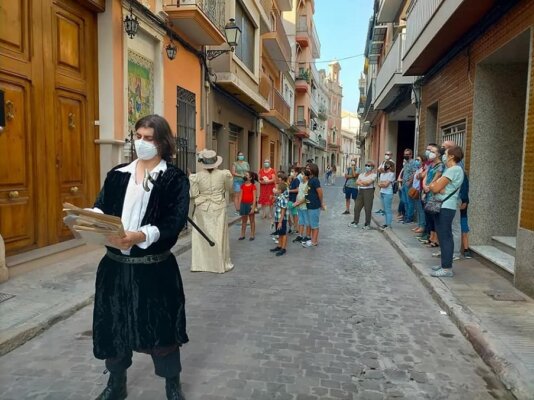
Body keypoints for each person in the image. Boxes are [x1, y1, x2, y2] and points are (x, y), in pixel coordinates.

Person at [92, 115, 189, 400]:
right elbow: (101, 207)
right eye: (138, 136)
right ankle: (116, 385)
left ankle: (172, 386)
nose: (141, 143)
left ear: (162, 142)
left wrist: (141, 235)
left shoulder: (173, 178)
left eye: (149, 138)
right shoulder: (117, 174)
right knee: (114, 327)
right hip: (115, 269)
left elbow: (174, 222)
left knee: (163, 330)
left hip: (155, 271)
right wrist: (89, 219)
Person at [189, 149, 234, 274]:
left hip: (202, 207)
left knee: (201, 236)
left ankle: (201, 264)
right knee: (219, 235)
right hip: (219, 206)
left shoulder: (196, 176)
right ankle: (219, 264)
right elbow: (228, 188)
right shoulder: (224, 174)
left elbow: (194, 194)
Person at [429, 145, 465, 277]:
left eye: (446, 154)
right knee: (443, 236)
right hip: (444, 205)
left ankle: (447, 268)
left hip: (446, 206)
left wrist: (436, 187)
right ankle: (445, 263)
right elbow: (436, 186)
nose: (443, 155)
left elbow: (434, 187)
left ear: (451, 156)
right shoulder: (452, 170)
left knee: (445, 237)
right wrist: (437, 187)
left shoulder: (454, 170)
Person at [421, 144, 444, 248]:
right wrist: (424, 185)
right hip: (427, 192)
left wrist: (429, 187)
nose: (431, 153)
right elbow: (425, 176)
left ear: (438, 154)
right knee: (428, 216)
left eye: (433, 152)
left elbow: (437, 177)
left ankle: (435, 240)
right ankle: (430, 237)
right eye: (431, 151)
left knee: (434, 216)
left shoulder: (440, 165)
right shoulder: (430, 165)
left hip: (433, 193)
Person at [303, 163, 325, 247]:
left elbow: (320, 192)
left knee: (314, 224)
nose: (307, 170)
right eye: (306, 168)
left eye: (308, 169)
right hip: (309, 205)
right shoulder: (310, 179)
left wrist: (321, 203)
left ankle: (314, 241)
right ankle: (312, 240)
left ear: (313, 170)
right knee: (311, 223)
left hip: (314, 206)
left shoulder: (315, 180)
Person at [351, 160, 377, 230]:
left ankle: (367, 224)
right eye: (366, 165)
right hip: (360, 191)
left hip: (369, 191)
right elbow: (357, 182)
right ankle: (355, 222)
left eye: (369, 166)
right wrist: (363, 183)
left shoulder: (374, 175)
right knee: (356, 207)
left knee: (368, 208)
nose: (367, 167)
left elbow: (368, 183)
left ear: (372, 167)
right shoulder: (362, 174)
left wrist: (361, 182)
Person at [398, 149, 417, 223]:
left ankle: (409, 217)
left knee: (409, 202)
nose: (406, 156)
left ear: (411, 155)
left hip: (409, 185)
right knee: (404, 201)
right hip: (404, 184)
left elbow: (414, 173)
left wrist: (410, 181)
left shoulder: (413, 163)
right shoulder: (406, 163)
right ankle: (406, 216)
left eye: (407, 154)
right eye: (405, 154)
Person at [269, 182, 289, 256]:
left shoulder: (283, 198)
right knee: (279, 233)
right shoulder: (279, 196)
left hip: (282, 219)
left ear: (280, 190)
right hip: (278, 218)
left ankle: (283, 248)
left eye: (276, 188)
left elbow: (283, 211)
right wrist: (273, 198)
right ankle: (279, 246)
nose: (275, 189)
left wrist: (280, 222)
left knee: (283, 233)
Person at [238, 171, 257, 241]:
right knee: (244, 221)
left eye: (246, 175)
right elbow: (240, 196)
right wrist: (239, 205)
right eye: (245, 175)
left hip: (250, 205)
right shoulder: (242, 186)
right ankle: (242, 234)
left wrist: (253, 207)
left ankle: (252, 235)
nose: (245, 176)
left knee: (252, 220)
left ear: (250, 178)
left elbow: (254, 198)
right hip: (243, 204)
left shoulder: (253, 186)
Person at [410, 154, 427, 234]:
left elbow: (419, 178)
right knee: (417, 209)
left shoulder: (423, 169)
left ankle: (422, 226)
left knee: (421, 210)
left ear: (422, 161)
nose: (416, 161)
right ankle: (419, 225)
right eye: (416, 160)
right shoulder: (417, 169)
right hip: (415, 190)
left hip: (419, 191)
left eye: (418, 160)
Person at [293, 170, 310, 243]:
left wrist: (299, 203)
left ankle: (308, 236)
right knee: (301, 221)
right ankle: (300, 235)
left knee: (307, 221)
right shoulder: (300, 183)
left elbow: (306, 197)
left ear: (306, 176)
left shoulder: (308, 184)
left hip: (305, 206)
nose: (301, 176)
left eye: (302, 174)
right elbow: (299, 193)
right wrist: (296, 202)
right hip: (299, 206)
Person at [376, 151, 395, 215]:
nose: (386, 155)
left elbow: (388, 170)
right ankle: (383, 210)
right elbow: (378, 170)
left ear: (391, 155)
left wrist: (383, 170)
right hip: (382, 181)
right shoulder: (383, 162)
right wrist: (383, 170)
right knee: (382, 198)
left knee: (386, 199)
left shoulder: (392, 162)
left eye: (388, 154)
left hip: (387, 182)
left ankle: (386, 211)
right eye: (386, 154)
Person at [378, 160, 395, 230]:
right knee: (384, 209)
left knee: (388, 209)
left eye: (387, 165)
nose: (385, 166)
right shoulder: (382, 174)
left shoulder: (391, 174)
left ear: (390, 167)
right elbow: (379, 184)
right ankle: (386, 223)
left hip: (388, 193)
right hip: (382, 192)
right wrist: (383, 183)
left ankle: (389, 225)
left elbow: (386, 185)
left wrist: (383, 184)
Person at [287, 167, 301, 235]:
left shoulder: (297, 180)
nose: (291, 173)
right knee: (290, 214)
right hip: (290, 199)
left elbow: (298, 190)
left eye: (292, 171)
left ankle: (296, 228)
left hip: (294, 199)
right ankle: (292, 227)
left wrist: (289, 191)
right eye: (291, 171)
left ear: (296, 173)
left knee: (295, 215)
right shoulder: (292, 180)